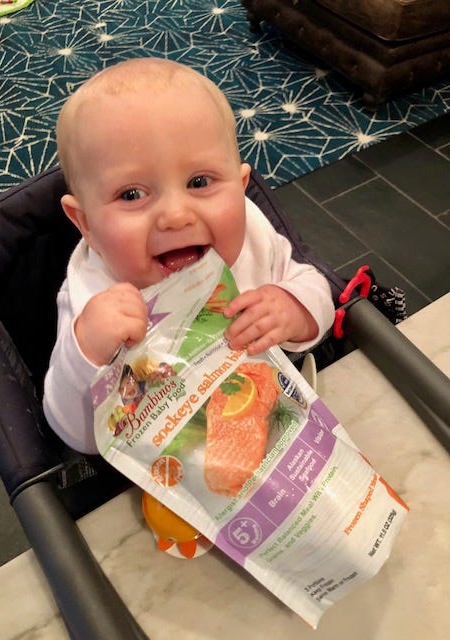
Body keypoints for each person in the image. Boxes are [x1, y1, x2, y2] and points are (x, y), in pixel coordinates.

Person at [43, 57, 335, 454]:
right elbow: (75, 435)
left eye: (199, 182)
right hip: (171, 465)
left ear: (241, 186)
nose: (176, 216)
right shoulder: (92, 298)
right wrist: (87, 354)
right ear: (86, 225)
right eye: (131, 194)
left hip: (278, 426)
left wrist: (295, 309)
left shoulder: (250, 236)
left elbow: (315, 286)